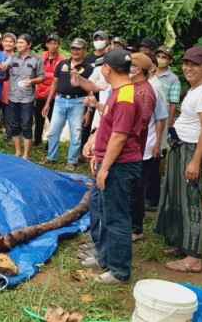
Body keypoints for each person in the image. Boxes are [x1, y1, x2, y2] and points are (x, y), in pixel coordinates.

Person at [154, 47, 202, 274]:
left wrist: (194, 162)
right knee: (177, 198)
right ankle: (183, 244)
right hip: (181, 147)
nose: (188, 68)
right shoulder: (196, 88)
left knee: (190, 201)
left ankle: (193, 257)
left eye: (195, 64)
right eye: (186, 63)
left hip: (192, 151)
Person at [80, 49, 144, 285]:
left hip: (120, 166)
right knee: (105, 213)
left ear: (108, 68)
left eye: (103, 67)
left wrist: (105, 167)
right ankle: (105, 258)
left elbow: (119, 136)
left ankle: (119, 271)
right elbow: (109, 128)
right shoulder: (119, 92)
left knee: (117, 218)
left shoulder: (126, 96)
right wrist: (97, 149)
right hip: (110, 161)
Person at [42, 38, 94, 170]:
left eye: (79, 49)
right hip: (60, 100)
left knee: (75, 132)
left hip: (78, 102)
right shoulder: (63, 64)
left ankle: (72, 161)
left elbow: (91, 89)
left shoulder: (89, 68)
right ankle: (51, 157)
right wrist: (48, 103)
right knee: (54, 131)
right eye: (73, 49)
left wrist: (89, 111)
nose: (75, 51)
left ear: (84, 50)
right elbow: (54, 83)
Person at [126, 53, 160, 243]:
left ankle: (136, 229)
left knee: (136, 190)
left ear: (137, 69)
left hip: (136, 148)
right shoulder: (133, 87)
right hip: (129, 147)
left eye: (130, 65)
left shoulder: (145, 92)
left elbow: (142, 124)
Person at [0, 33, 44, 159]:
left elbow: (42, 77)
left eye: (21, 42)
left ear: (29, 44)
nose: (18, 45)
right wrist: (2, 67)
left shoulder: (36, 59)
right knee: (14, 125)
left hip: (27, 98)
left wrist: (32, 81)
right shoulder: (13, 57)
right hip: (13, 96)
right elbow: (4, 68)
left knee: (26, 125)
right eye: (17, 42)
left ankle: (26, 155)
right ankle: (18, 152)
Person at [153, 45, 181, 209]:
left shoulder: (173, 79)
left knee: (161, 152)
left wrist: (169, 123)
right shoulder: (149, 72)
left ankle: (159, 180)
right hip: (151, 119)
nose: (161, 59)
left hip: (163, 120)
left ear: (170, 61)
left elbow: (173, 103)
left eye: (165, 57)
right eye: (159, 56)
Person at [34, 34, 65, 147]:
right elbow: (36, 75)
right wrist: (52, 77)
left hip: (55, 96)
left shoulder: (63, 60)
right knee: (38, 119)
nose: (52, 46)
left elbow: (62, 77)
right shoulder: (40, 57)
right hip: (40, 94)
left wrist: (44, 77)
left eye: (55, 43)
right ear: (46, 44)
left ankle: (50, 144)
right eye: (50, 43)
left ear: (59, 45)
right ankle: (37, 142)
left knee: (54, 121)